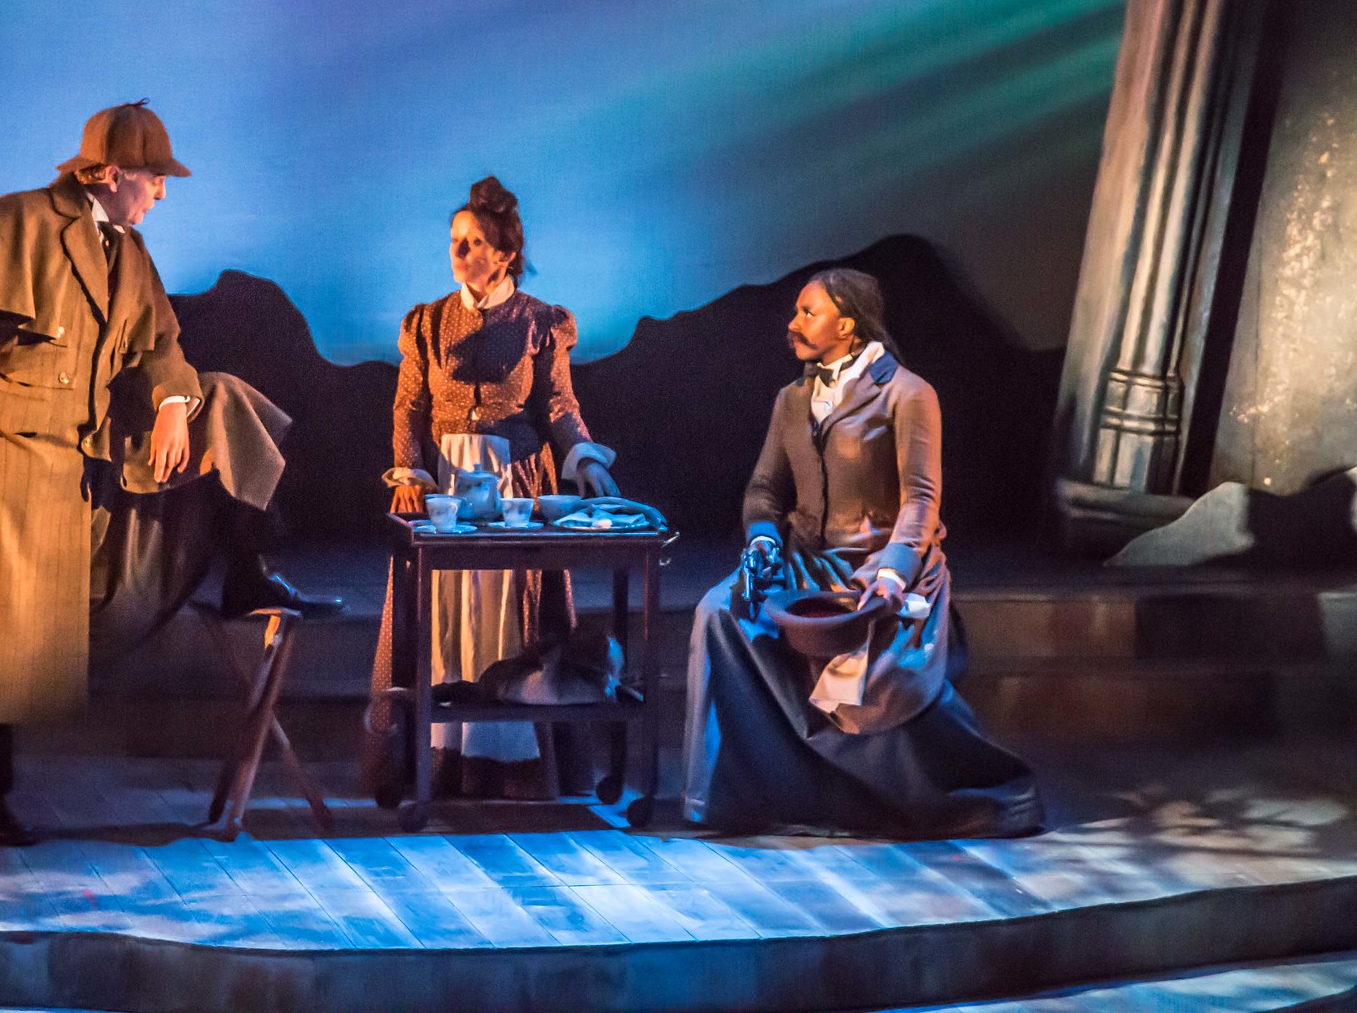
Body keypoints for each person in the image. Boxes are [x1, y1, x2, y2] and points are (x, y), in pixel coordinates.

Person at [0, 101, 342, 846]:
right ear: (113, 174)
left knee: (222, 399)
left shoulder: (128, 250)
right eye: (155, 178)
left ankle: (248, 566)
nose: (163, 192)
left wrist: (175, 403)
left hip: (85, 450)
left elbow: (162, 345)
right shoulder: (29, 218)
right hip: (11, 452)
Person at [683, 268, 1042, 837]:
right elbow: (764, 489)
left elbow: (921, 499)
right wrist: (763, 538)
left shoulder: (907, 393)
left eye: (808, 313)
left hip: (878, 565)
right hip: (802, 563)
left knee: (862, 674)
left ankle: (911, 799)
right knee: (719, 612)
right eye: (796, 312)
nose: (792, 324)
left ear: (847, 325)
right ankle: (736, 799)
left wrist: (895, 571)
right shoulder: (792, 399)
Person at [364, 176, 619, 800]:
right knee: (444, 619)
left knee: (509, 621)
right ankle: (439, 763)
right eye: (455, 239)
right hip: (446, 485)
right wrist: (409, 471)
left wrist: (583, 457)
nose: (459, 252)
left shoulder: (540, 322)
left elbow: (558, 403)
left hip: (514, 483)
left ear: (505, 255)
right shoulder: (427, 322)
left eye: (475, 242)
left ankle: (510, 766)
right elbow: (409, 406)